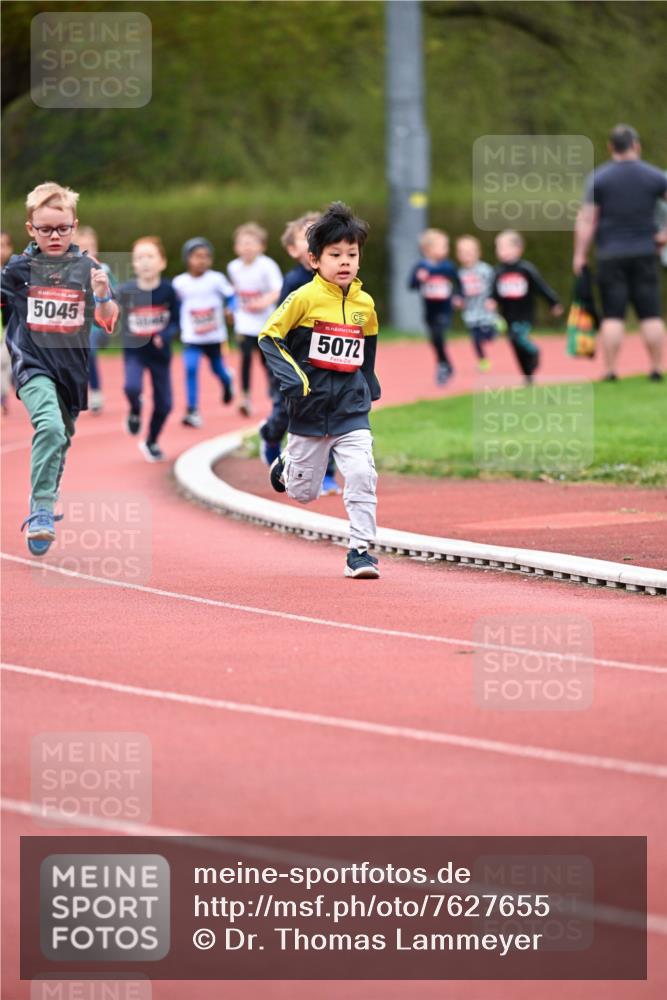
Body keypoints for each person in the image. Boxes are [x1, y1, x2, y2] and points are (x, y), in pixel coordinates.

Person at [259, 202, 381, 579]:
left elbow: (368, 343)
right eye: (335, 255)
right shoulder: (303, 299)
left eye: (352, 254)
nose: (345, 262)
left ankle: (360, 551)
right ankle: (287, 465)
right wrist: (295, 379)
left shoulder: (365, 303)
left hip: (350, 407)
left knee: (362, 474)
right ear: (314, 259)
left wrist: (369, 381)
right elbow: (269, 338)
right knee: (303, 494)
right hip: (309, 409)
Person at [1, 182, 118, 555]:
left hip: (71, 369)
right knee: (49, 426)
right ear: (30, 229)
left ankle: (45, 506)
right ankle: (41, 510)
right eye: (46, 228)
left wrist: (101, 295)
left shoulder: (88, 268)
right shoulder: (18, 269)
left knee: (61, 437)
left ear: (75, 225)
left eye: (63, 228)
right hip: (32, 363)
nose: (55, 235)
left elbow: (108, 320)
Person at [573, 124, 667, 381]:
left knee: (613, 315)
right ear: (637, 145)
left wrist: (579, 254)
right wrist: (664, 235)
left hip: (610, 254)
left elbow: (587, 220)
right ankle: (657, 368)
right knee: (650, 313)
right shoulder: (655, 176)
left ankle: (611, 369)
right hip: (645, 252)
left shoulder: (599, 178)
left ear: (610, 147)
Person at [258, 211, 342, 495]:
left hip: (327, 363)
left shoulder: (339, 279)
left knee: (328, 415)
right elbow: (280, 326)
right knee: (286, 414)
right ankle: (270, 436)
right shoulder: (294, 282)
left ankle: (326, 475)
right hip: (293, 364)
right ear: (294, 249)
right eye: (307, 236)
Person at [117, 237, 179, 461]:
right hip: (135, 352)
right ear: (133, 264)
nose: (144, 262)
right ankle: (135, 410)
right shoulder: (126, 291)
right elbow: (107, 311)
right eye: (139, 257)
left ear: (162, 262)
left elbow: (176, 321)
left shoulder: (168, 291)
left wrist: (164, 334)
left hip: (159, 356)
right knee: (132, 387)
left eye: (150, 256)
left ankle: (151, 441)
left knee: (165, 404)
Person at [172, 237, 235, 428]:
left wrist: (231, 309)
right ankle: (192, 410)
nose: (202, 260)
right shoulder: (180, 283)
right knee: (190, 368)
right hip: (192, 336)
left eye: (206, 257)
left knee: (218, 369)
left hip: (214, 336)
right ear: (187, 259)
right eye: (197, 256)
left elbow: (232, 296)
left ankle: (227, 381)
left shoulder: (216, 279)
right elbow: (174, 305)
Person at [489, 230, 563, 384]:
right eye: (499, 248)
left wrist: (554, 302)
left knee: (519, 337)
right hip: (507, 315)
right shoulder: (498, 271)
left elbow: (541, 287)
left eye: (505, 247)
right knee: (515, 346)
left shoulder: (526, 269)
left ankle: (534, 351)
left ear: (518, 249)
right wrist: (491, 300)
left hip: (525, 313)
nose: (501, 251)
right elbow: (494, 291)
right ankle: (527, 375)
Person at [227, 222, 282, 416]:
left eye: (251, 243)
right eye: (243, 243)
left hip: (265, 321)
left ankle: (274, 392)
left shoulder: (267, 266)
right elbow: (233, 292)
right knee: (245, 358)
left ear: (261, 246)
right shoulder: (233, 267)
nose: (247, 247)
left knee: (266, 360)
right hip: (244, 321)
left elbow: (278, 290)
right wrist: (231, 309)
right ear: (236, 247)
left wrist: (263, 302)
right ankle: (245, 396)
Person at [408, 228, 460, 385]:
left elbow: (459, 283)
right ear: (428, 249)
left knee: (438, 335)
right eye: (442, 246)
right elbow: (411, 285)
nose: (446, 250)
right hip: (429, 310)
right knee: (435, 340)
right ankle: (445, 364)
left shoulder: (448, 267)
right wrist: (419, 279)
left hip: (445, 309)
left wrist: (458, 296)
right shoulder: (421, 267)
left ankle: (443, 366)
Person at [76, 225, 115, 413]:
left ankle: (96, 392)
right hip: (75, 324)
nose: (87, 249)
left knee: (88, 347)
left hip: (97, 325)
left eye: (90, 245)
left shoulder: (103, 269)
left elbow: (114, 295)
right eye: (82, 246)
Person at [455, 234, 497, 372]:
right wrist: (458, 300)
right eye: (462, 253)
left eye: (469, 252)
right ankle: (483, 360)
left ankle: (496, 326)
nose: (466, 255)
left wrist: (493, 299)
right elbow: (458, 291)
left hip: (486, 312)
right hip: (471, 313)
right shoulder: (459, 274)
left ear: (478, 253)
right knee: (475, 339)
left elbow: (495, 286)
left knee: (488, 335)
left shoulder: (485, 270)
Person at [1, 230, 14, 414]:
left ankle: (2, 396)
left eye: (3, 245)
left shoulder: (14, 273)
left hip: (10, 328)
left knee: (4, 362)